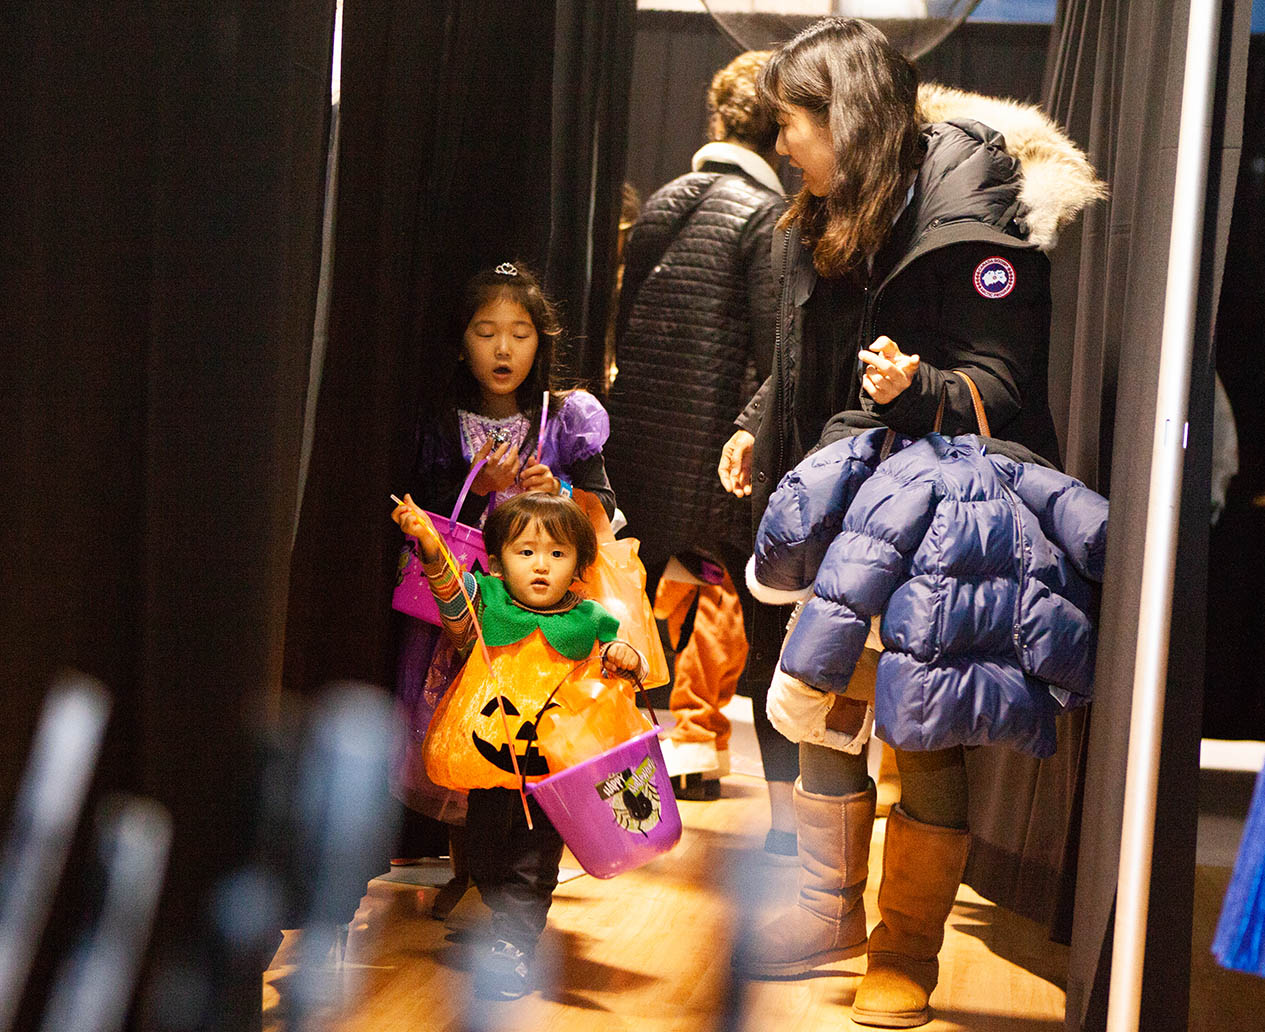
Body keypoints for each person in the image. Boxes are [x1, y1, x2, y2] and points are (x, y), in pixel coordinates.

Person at [716, 17, 1104, 1028]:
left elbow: (1001, 388)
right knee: (820, 711)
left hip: (933, 510)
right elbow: (809, 348)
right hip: (833, 487)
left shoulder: (967, 208)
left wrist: (913, 386)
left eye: (793, 121)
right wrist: (758, 422)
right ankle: (822, 913)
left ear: (843, 115)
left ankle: (906, 950)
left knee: (923, 730)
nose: (783, 143)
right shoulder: (827, 203)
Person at [606, 50, 798, 837]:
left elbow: (625, 327)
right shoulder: (766, 218)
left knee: (622, 623)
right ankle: (787, 822)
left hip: (640, 449)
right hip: (721, 456)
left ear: (717, 120)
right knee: (755, 628)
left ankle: (616, 805)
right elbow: (771, 347)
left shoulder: (664, 202)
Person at [392, 261, 616, 918]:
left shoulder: (562, 419)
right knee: (457, 733)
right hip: (454, 617)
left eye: (519, 333)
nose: (502, 348)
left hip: (534, 620)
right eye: (486, 331)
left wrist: (562, 494)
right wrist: (479, 490)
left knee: (521, 739)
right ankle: (468, 867)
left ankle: (516, 879)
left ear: (540, 342)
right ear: (462, 341)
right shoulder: (435, 422)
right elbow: (413, 507)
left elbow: (604, 506)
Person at [391, 492, 645, 1000]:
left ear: (578, 565)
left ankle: (516, 945)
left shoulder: (592, 619)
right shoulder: (486, 603)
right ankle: (503, 921)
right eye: (525, 552)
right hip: (491, 769)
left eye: (557, 554)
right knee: (484, 861)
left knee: (533, 868)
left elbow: (624, 669)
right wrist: (430, 545)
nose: (540, 566)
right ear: (500, 561)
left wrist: (623, 654)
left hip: (553, 778)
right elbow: (447, 595)